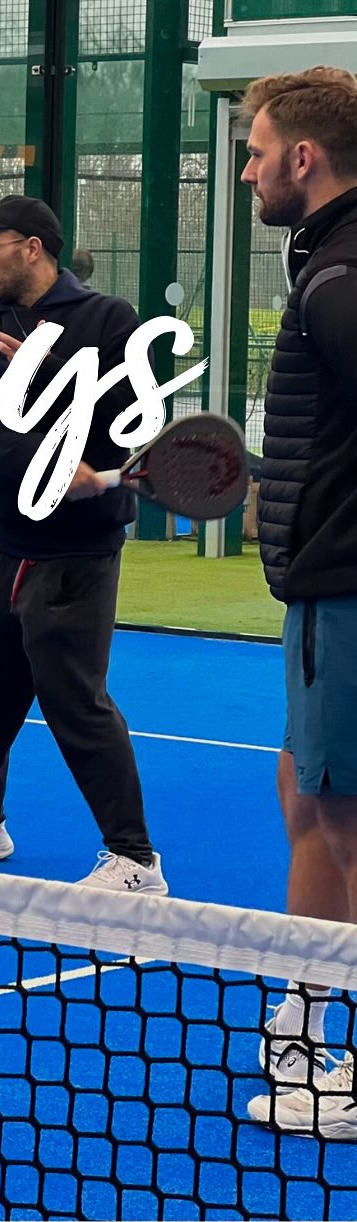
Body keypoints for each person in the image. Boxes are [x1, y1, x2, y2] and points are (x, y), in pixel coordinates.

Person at [0, 195, 166, 894]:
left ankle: (135, 860)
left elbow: (123, 418)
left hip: (79, 550)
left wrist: (46, 383)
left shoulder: (111, 322)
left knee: (74, 697)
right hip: (5, 543)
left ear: (36, 248)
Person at [238, 67, 357, 1138]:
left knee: (341, 819)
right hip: (321, 593)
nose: (249, 169)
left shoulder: (339, 278)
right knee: (300, 791)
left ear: (303, 158)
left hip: (346, 593)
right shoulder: (328, 261)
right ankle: (301, 1012)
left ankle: (332, 1052)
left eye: (256, 148)